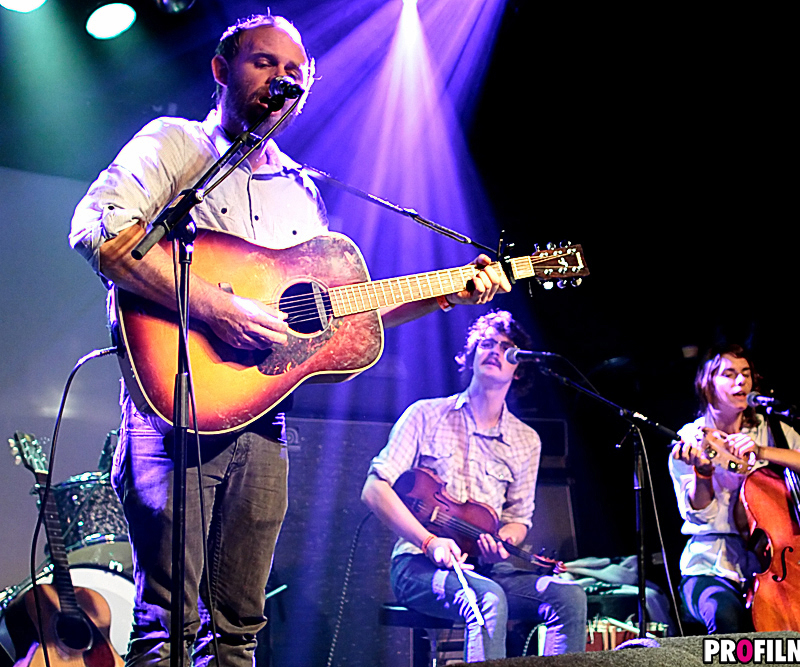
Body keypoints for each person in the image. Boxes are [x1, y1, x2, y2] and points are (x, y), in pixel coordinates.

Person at [68, 14, 509, 666]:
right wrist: (215, 306)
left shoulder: (304, 191)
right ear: (222, 70)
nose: (282, 80)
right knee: (167, 629)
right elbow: (98, 227)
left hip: (266, 430)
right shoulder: (176, 145)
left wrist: (446, 292)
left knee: (239, 631)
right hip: (173, 413)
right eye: (264, 63)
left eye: (294, 74)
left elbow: (335, 322)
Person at [361, 310, 587, 661]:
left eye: (506, 347)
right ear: (471, 355)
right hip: (418, 564)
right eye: (487, 343)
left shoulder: (526, 441)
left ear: (519, 367)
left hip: (489, 568)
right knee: (488, 598)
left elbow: (518, 519)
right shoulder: (425, 414)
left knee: (569, 597)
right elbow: (374, 489)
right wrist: (429, 541)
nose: (495, 350)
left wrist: (505, 541)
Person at [668, 344, 800, 634]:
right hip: (711, 565)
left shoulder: (771, 430)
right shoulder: (691, 438)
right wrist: (703, 474)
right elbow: (700, 515)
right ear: (708, 384)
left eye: (746, 373)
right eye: (729, 374)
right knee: (727, 618)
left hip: (777, 562)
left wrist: (764, 450)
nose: (741, 381)